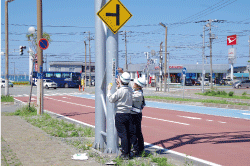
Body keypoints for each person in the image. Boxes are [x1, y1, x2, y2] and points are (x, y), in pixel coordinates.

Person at [107, 72, 133, 160]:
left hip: (120, 114)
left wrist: (108, 90)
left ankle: (125, 154)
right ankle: (128, 152)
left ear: (121, 80)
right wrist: (119, 85)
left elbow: (111, 99)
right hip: (129, 114)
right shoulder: (130, 89)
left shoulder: (121, 91)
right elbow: (123, 91)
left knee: (123, 135)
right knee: (128, 134)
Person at [130, 77, 146, 156]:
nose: (133, 84)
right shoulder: (138, 91)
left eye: (135, 83)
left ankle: (137, 149)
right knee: (138, 132)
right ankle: (140, 148)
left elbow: (128, 98)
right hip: (137, 114)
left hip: (134, 115)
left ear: (138, 85)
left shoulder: (138, 94)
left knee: (133, 132)